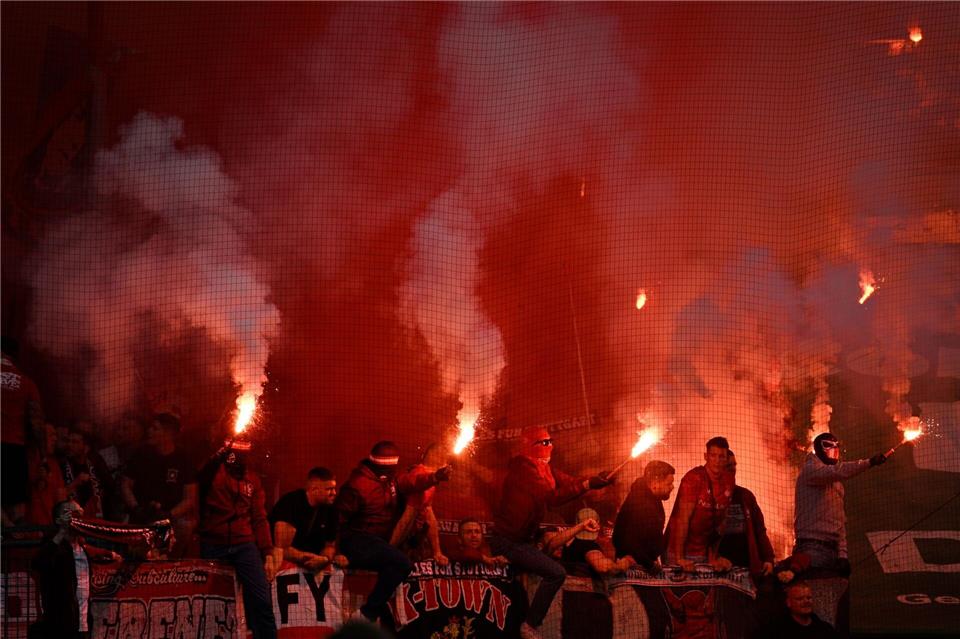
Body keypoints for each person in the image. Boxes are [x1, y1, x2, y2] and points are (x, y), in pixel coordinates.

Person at [490, 426, 614, 639]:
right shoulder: (524, 468)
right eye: (545, 442)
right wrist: (587, 484)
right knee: (556, 573)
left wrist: (595, 479)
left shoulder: (544, 468)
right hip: (508, 541)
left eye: (551, 441)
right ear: (531, 446)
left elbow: (568, 481)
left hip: (523, 542)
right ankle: (529, 625)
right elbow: (552, 498)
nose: (551, 446)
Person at [335, 441, 451, 623]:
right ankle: (366, 615)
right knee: (401, 563)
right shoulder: (357, 485)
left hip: (376, 542)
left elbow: (412, 481)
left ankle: (374, 615)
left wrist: (434, 477)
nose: (393, 471)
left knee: (396, 564)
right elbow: (337, 521)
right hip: (357, 540)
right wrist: (337, 552)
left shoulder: (391, 480)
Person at [197, 440, 280, 639]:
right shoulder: (214, 472)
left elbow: (259, 518)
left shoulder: (252, 479)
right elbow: (201, 475)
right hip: (213, 543)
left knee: (262, 602)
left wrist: (267, 551)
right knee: (210, 604)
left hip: (244, 545)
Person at [794, 432, 887, 574]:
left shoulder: (836, 483)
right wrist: (869, 462)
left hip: (833, 549)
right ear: (818, 448)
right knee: (813, 592)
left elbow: (839, 519)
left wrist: (842, 555)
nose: (834, 449)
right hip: (810, 545)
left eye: (836, 446)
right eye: (828, 445)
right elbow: (839, 471)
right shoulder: (810, 470)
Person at [30, 500, 120, 639]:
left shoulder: (81, 547)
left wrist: (110, 554)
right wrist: (62, 532)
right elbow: (39, 563)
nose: (75, 517)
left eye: (79, 513)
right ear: (58, 520)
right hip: (60, 623)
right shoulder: (53, 543)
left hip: (82, 623)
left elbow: (95, 551)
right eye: (69, 513)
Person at [121, 412, 197, 556]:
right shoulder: (141, 454)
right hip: (141, 515)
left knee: (185, 526)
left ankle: (169, 563)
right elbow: (125, 485)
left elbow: (190, 498)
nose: (149, 431)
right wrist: (136, 508)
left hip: (168, 519)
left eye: (155, 428)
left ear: (168, 434)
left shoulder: (183, 459)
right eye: (150, 427)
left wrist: (168, 514)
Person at [665, 436, 734, 571]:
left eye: (721, 457)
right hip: (679, 551)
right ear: (705, 456)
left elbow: (722, 522)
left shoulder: (729, 481)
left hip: (702, 553)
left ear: (726, 459)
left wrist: (713, 556)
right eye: (713, 455)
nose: (717, 461)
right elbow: (683, 520)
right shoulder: (693, 479)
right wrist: (680, 558)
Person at [270, 466, 346, 572]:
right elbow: (281, 548)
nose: (334, 493)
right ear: (314, 490)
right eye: (329, 489)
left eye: (334, 488)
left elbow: (330, 545)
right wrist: (305, 558)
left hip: (315, 562)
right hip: (287, 565)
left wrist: (324, 559)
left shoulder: (331, 509)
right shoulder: (290, 503)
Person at [1, 336, 43, 526]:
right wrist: (41, 456)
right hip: (15, 450)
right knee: (17, 504)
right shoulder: (27, 383)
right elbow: (36, 424)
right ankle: (17, 546)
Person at [717, 450, 774, 580]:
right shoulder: (707, 496)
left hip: (746, 566)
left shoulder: (745, 496)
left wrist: (768, 558)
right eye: (728, 466)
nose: (732, 469)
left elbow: (760, 530)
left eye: (734, 465)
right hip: (718, 568)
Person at [389, 443, 448, 565]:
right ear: (435, 456)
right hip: (398, 539)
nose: (446, 462)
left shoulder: (425, 477)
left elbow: (429, 515)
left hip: (408, 540)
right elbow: (406, 518)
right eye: (444, 457)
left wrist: (437, 552)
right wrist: (388, 550)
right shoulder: (420, 476)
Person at [612, 460, 675, 572]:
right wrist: (649, 564)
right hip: (633, 569)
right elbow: (625, 540)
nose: (672, 487)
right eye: (668, 483)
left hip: (643, 566)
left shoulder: (651, 497)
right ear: (655, 482)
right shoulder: (641, 503)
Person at [555, 508, 635, 577]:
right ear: (598, 524)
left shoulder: (567, 543)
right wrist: (622, 565)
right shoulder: (589, 546)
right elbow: (603, 567)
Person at [60, 429, 112, 520]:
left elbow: (109, 486)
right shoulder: (63, 464)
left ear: (86, 446)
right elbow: (60, 493)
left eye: (75, 442)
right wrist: (76, 482)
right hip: (72, 518)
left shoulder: (95, 461)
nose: (69, 445)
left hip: (97, 518)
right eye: (68, 441)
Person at [757, 581, 839, 639]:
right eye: (800, 599)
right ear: (789, 603)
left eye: (809, 598)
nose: (806, 601)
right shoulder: (775, 631)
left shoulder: (824, 630)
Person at [26, 423, 67, 526]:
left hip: (51, 525)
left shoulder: (54, 463)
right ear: (41, 438)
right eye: (51, 435)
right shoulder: (29, 459)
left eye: (55, 435)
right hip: (31, 527)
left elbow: (60, 495)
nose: (55, 439)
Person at [442, 518, 508, 566]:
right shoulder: (453, 552)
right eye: (468, 532)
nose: (474, 535)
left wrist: (500, 560)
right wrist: (486, 559)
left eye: (477, 532)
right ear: (459, 539)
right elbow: (467, 554)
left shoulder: (490, 550)